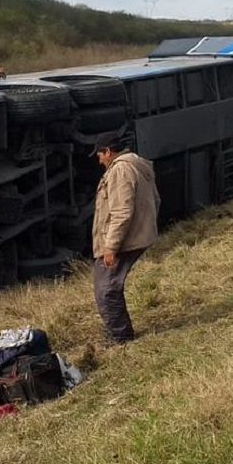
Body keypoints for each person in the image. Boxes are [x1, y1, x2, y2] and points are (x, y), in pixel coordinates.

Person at [90, 133, 160, 344]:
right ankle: (119, 332)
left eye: (100, 154)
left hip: (124, 240)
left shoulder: (120, 170)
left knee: (106, 289)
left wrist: (111, 247)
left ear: (108, 152)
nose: (99, 160)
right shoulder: (137, 164)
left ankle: (120, 337)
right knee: (109, 287)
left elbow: (121, 212)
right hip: (136, 235)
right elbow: (156, 199)